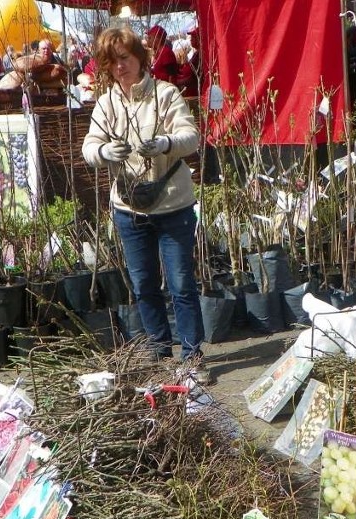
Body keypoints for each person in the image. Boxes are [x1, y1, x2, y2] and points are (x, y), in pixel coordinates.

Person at [81, 28, 211, 384]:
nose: (119, 67)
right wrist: (103, 152)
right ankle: (159, 350)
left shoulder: (165, 94)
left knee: (182, 283)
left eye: (124, 58)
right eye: (111, 62)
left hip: (173, 205)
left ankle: (192, 356)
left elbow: (191, 137)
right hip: (129, 209)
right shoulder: (107, 102)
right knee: (143, 284)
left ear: (140, 57)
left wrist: (166, 143)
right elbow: (89, 146)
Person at [174, 27, 200, 97]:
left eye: (194, 37)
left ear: (199, 38)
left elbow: (192, 77)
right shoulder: (196, 54)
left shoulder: (199, 55)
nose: (191, 39)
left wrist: (177, 82)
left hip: (195, 92)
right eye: (191, 37)